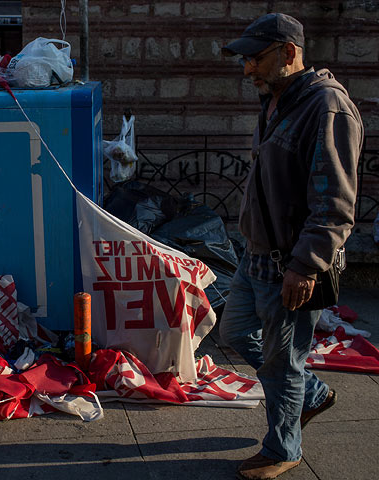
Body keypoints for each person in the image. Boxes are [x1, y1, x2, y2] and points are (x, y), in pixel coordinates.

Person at [219, 13, 363, 480]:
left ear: (288, 52)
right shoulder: (278, 98)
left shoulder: (326, 108)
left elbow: (335, 203)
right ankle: (312, 393)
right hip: (255, 254)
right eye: (245, 60)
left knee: (283, 363)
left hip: (291, 265)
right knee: (234, 333)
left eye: (255, 58)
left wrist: (306, 266)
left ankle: (283, 448)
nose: (248, 70)